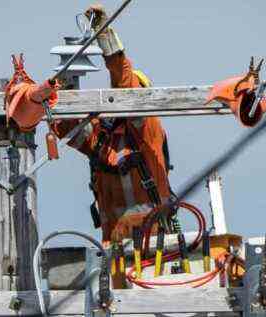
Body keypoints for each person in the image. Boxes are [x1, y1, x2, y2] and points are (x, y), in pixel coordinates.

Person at [53, 4, 175, 246]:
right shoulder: (102, 137)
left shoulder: (147, 128)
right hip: (114, 248)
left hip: (153, 243)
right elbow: (69, 128)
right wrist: (65, 84)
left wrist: (106, 37)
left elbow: (127, 86)